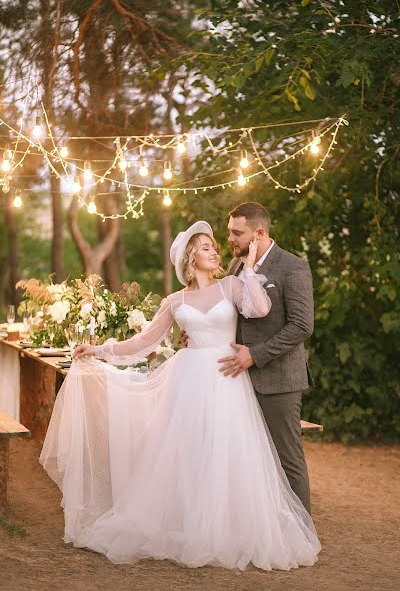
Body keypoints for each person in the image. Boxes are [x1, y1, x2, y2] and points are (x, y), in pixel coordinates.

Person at [40, 221, 320, 571]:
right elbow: (144, 341)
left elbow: (260, 309)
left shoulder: (232, 284)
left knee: (229, 455)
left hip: (226, 379)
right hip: (188, 382)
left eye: (214, 246)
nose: (215, 250)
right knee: (189, 454)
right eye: (205, 247)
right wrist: (97, 349)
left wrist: (248, 269)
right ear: (190, 257)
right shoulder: (175, 300)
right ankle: (188, 525)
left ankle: (227, 528)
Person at [221, 202, 315, 514]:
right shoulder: (236, 267)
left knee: (287, 458)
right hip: (238, 381)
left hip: (279, 381)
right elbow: (234, 316)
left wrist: (256, 355)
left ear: (259, 232)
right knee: (249, 457)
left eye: (237, 232)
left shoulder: (292, 267)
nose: (230, 238)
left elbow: (302, 325)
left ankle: (303, 531)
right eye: (230, 231)